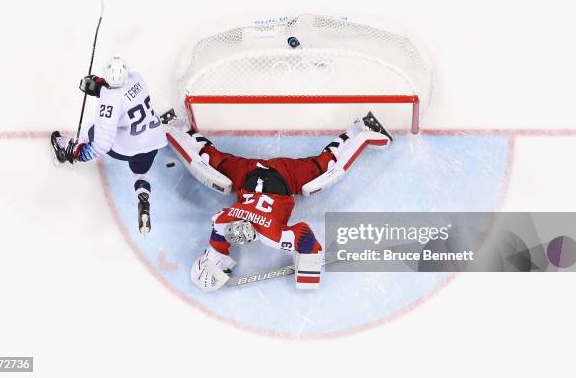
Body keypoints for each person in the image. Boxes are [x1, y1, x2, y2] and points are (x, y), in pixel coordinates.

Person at [164, 111, 393, 291]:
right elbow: (218, 235)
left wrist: (308, 271)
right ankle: (177, 127)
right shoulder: (227, 218)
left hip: (283, 175)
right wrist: (213, 262)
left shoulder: (272, 235)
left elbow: (305, 235)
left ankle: (363, 131)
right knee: (212, 158)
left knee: (325, 167)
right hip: (248, 173)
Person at [51, 56, 167, 234]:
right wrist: (99, 84)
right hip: (153, 142)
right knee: (141, 172)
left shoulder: (109, 100)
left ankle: (65, 147)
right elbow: (121, 88)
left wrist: (79, 154)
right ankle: (143, 200)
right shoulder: (138, 78)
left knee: (91, 129)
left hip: (129, 147)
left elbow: (103, 144)